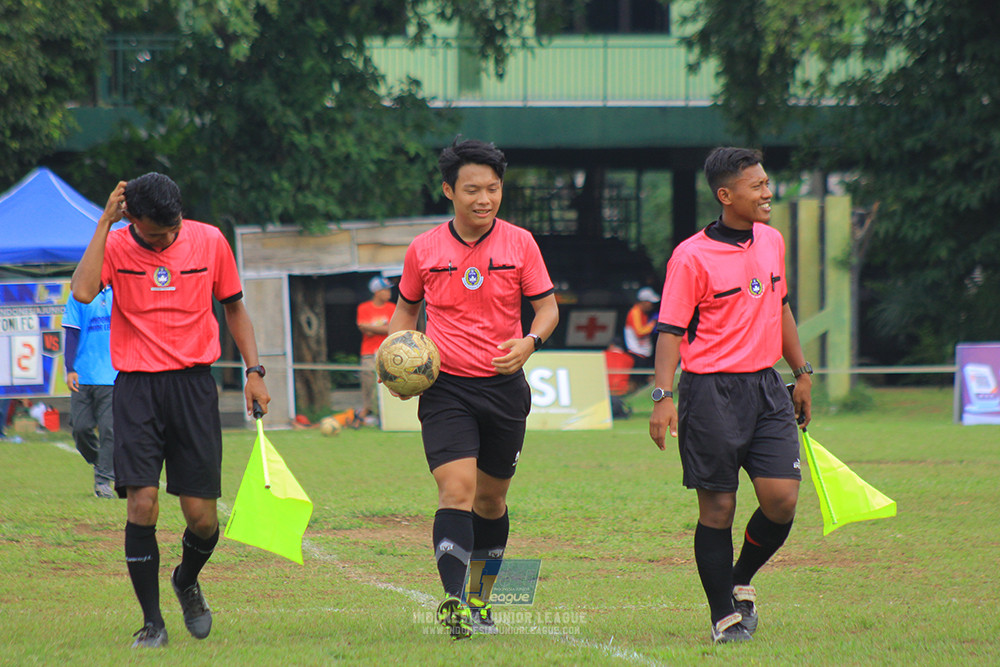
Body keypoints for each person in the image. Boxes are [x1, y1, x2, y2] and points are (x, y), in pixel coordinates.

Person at [71, 172, 271, 649]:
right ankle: (152, 624)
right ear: (131, 219)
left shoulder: (209, 240)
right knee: (142, 504)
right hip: (137, 388)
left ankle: (186, 580)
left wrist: (254, 370)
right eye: (155, 233)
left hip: (193, 388)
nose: (166, 239)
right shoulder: (115, 245)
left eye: (171, 229)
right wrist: (103, 223)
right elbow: (81, 292)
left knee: (202, 517)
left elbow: (235, 309)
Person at [385, 138, 559, 640]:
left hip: (505, 388)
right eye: (472, 190)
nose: (484, 199)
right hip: (446, 390)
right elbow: (405, 311)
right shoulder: (424, 249)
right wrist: (396, 361)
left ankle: (482, 600)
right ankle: (455, 602)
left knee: (490, 502)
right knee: (456, 491)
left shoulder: (521, 243)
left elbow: (547, 308)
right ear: (448, 190)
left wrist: (530, 342)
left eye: (493, 189)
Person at [648, 147, 813, 645]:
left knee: (781, 499)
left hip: (765, 387)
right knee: (717, 510)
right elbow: (670, 332)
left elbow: (780, 308)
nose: (767, 192)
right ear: (726, 195)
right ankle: (724, 615)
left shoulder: (772, 241)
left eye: (767, 182)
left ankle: (740, 577)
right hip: (709, 393)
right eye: (757, 185)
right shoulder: (691, 256)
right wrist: (662, 396)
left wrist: (801, 372)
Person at [63, 287, 118, 498]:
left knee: (109, 430)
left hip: (113, 375)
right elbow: (72, 332)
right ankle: (102, 462)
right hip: (83, 374)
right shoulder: (79, 293)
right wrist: (70, 369)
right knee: (80, 428)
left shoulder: (121, 291)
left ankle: (103, 480)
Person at [355, 275, 396, 427]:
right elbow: (364, 329)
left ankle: (384, 417)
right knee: (368, 385)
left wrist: (371, 328)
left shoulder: (392, 308)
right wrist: (381, 329)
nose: (389, 293)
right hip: (368, 353)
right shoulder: (364, 308)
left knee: (387, 384)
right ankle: (367, 414)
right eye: (385, 290)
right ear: (377, 292)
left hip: (387, 352)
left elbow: (391, 329)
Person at [624, 286, 660, 370]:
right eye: (651, 302)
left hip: (645, 354)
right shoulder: (635, 312)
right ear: (644, 302)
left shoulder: (646, 313)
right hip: (636, 354)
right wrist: (653, 324)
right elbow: (639, 332)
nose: (652, 305)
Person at [604, 336, 634, 419]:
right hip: (621, 390)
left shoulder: (603, 355)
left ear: (611, 345)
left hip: (605, 389)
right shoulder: (629, 359)